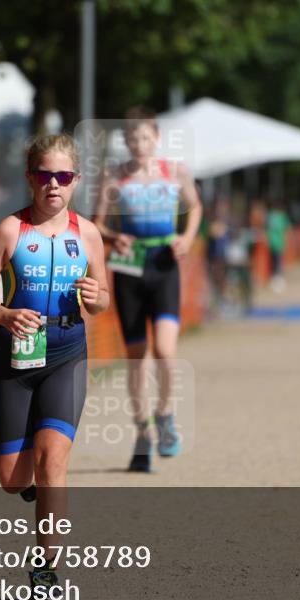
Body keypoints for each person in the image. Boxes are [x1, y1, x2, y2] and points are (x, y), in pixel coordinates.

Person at [0, 133, 110, 597]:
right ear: (31, 178)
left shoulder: (87, 234)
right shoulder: (10, 230)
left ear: (76, 181)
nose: (54, 184)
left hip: (67, 352)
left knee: (52, 464)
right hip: (15, 355)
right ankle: (32, 491)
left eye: (63, 176)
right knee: (12, 479)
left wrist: (96, 297)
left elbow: (103, 298)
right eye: (45, 175)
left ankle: (45, 569)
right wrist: (4, 315)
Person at [93, 106, 203, 473]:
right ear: (125, 142)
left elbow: (195, 206)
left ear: (156, 137)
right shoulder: (114, 177)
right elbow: (97, 224)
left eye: (145, 137)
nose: (139, 144)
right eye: (132, 139)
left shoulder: (175, 172)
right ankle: (142, 433)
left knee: (166, 351)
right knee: (136, 357)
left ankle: (165, 414)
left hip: (163, 264)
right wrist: (114, 236)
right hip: (129, 268)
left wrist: (186, 237)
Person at [266, 201, 290, 292]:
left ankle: (276, 279)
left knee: (276, 262)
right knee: (277, 262)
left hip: (275, 243)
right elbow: (287, 229)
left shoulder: (271, 217)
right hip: (277, 243)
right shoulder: (280, 217)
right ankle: (276, 280)